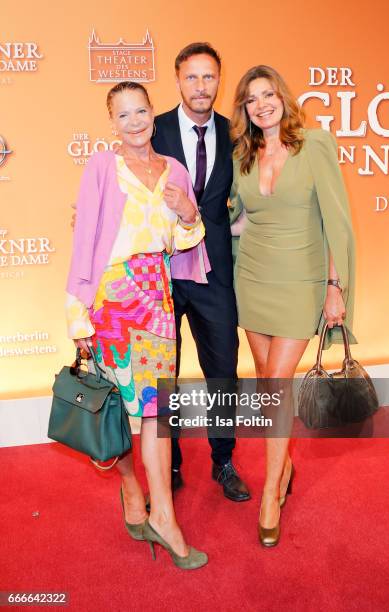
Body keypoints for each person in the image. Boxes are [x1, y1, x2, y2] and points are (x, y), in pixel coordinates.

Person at [65, 81, 208, 569]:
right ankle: (131, 487)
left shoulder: (175, 171)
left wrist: (190, 214)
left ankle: (163, 515)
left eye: (141, 111)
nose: (134, 122)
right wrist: (76, 310)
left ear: (153, 113)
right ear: (111, 122)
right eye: (123, 115)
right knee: (121, 410)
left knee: (157, 412)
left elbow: (186, 238)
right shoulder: (102, 168)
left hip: (158, 298)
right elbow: (84, 237)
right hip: (113, 298)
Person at [229, 65, 356, 546]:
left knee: (278, 386)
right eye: (251, 98)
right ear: (243, 109)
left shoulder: (314, 144)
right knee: (267, 388)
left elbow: (335, 218)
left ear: (283, 97)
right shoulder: (244, 155)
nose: (262, 104)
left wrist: (334, 285)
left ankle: (270, 491)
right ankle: (285, 462)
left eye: (269, 94)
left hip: (301, 279)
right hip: (253, 278)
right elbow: (242, 221)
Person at [152, 42, 250, 503]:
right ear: (177, 80)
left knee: (223, 372)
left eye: (209, 77)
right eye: (192, 77)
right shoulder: (154, 130)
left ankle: (223, 460)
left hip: (215, 275)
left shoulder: (236, 133)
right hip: (164, 274)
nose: (201, 86)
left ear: (219, 80)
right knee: (163, 374)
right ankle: (168, 464)